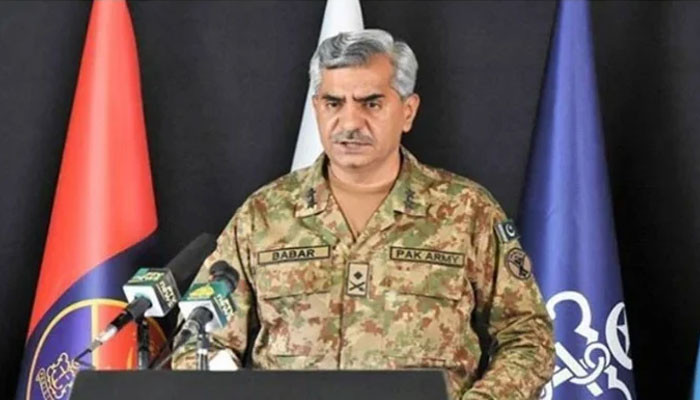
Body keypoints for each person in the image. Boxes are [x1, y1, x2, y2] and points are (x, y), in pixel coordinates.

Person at [173, 29, 555, 400]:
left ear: (408, 111)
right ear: (316, 108)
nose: (351, 123)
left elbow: (527, 336)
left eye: (371, 103)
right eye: (333, 103)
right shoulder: (264, 215)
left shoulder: (467, 210)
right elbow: (199, 338)